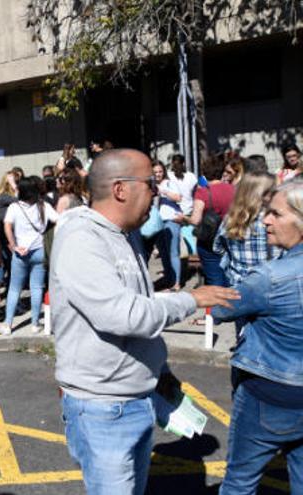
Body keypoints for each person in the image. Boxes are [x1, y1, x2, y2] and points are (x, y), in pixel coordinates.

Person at [51, 148, 239, 495]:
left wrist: (161, 370)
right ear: (121, 189)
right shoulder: (81, 238)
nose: (158, 191)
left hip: (138, 398)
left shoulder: (127, 234)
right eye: (152, 183)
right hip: (103, 409)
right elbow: (124, 315)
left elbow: (143, 304)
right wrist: (192, 299)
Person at [213, 179, 303, 494]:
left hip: (270, 393)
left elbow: (221, 310)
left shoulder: (270, 278)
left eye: (276, 214)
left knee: (239, 482)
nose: (265, 220)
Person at [1, 177, 58, 334]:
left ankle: (8, 324)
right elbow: (59, 220)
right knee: (36, 287)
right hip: (39, 251)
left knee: (14, 289)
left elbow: (7, 227)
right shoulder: (43, 206)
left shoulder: (14, 207)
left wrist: (13, 246)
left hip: (20, 253)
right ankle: (34, 323)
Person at [214, 171, 280, 288]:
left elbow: (217, 248)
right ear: (263, 194)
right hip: (274, 284)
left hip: (240, 284)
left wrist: (235, 257)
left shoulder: (230, 219)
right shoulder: (276, 219)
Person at [183, 153, 237, 287]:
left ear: (204, 173)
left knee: (215, 280)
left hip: (209, 241)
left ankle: (218, 306)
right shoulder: (234, 189)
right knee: (231, 276)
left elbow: (195, 220)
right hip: (231, 236)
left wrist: (182, 218)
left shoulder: (202, 192)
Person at [154, 160, 185, 291]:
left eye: (160, 171)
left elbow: (178, 197)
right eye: (155, 172)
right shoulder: (151, 185)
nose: (158, 174)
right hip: (157, 223)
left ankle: (176, 283)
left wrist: (163, 191)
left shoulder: (169, 183)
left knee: (173, 253)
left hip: (171, 220)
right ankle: (169, 280)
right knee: (164, 253)